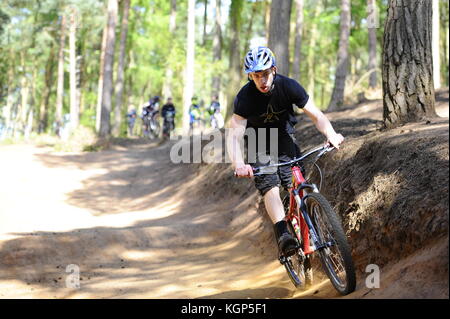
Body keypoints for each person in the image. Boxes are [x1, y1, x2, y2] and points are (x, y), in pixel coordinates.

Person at [227, 46, 344, 257]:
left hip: (283, 136)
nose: (262, 80)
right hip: (258, 141)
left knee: (294, 178)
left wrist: (331, 134)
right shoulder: (244, 97)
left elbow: (317, 115)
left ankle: (305, 216)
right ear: (250, 76)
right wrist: (239, 164)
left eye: (265, 74)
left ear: (274, 70)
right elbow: (234, 136)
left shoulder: (288, 86)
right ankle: (283, 233)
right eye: (256, 76)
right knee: (269, 184)